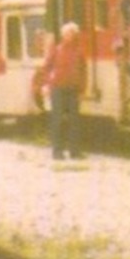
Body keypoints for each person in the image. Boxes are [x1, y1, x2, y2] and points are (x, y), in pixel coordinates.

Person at [44, 22, 87, 161]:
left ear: (75, 35)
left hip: (73, 89)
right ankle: (57, 151)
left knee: (75, 121)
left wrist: (82, 90)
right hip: (58, 88)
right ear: (63, 35)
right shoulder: (57, 50)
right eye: (67, 33)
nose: (70, 36)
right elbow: (47, 67)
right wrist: (47, 84)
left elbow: (83, 72)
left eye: (72, 33)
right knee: (57, 120)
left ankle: (75, 151)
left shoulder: (79, 52)